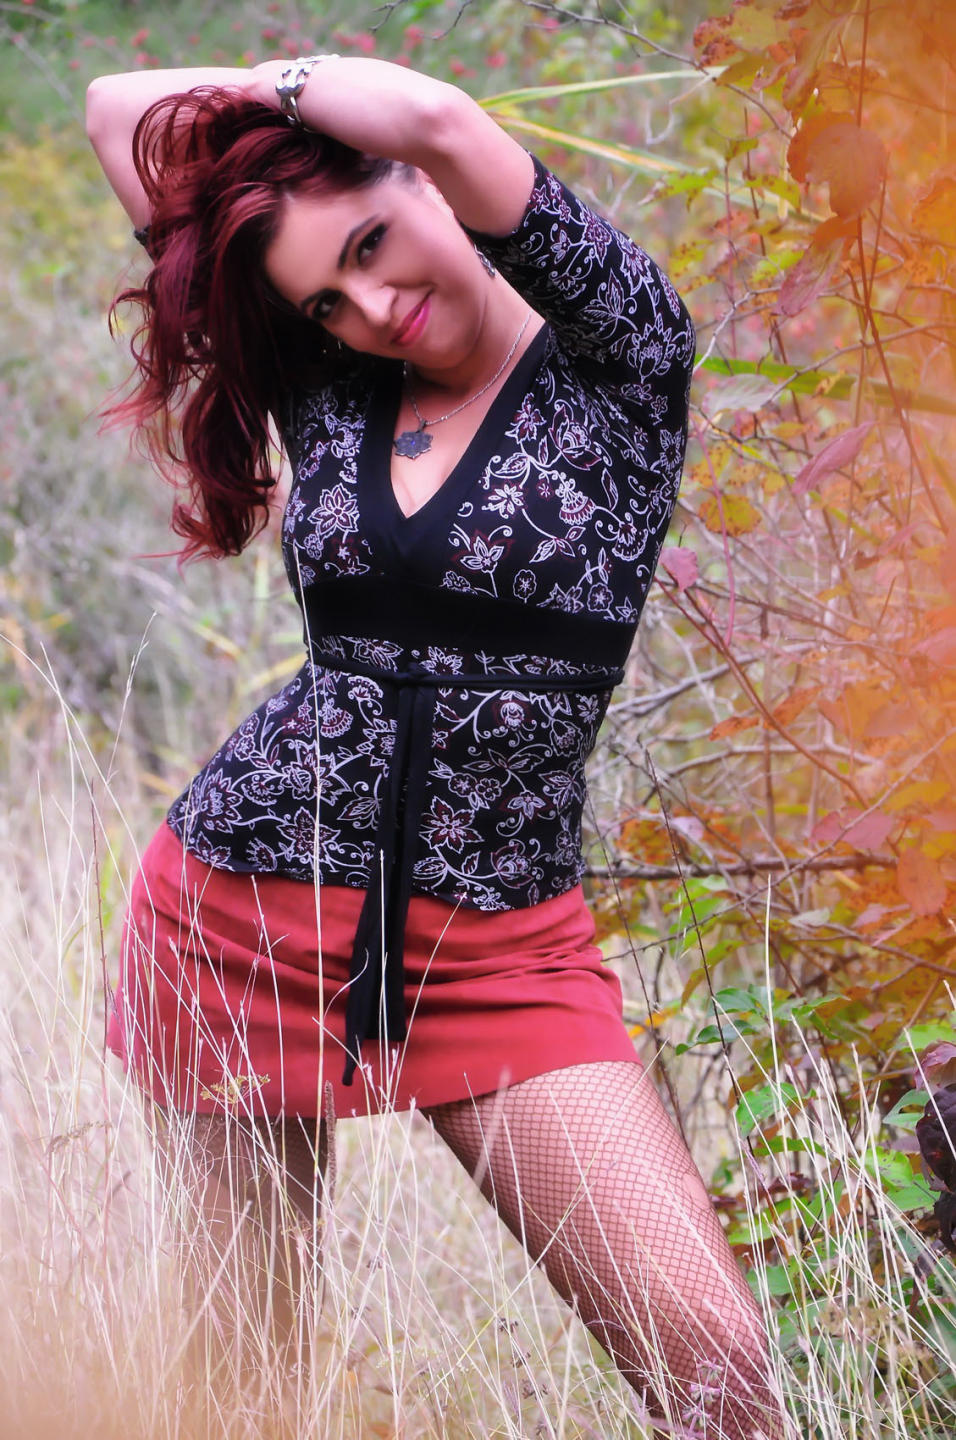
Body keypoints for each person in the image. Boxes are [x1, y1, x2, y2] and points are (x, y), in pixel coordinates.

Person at [86, 53, 785, 1438]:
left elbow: (434, 116)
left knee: (716, 1375)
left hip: (497, 946)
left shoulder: (618, 354)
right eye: (326, 299)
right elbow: (117, 109)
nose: (372, 307)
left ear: (427, 183)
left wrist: (288, 97)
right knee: (241, 1393)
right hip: (236, 924)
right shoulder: (329, 375)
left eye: (369, 245)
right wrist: (296, 209)